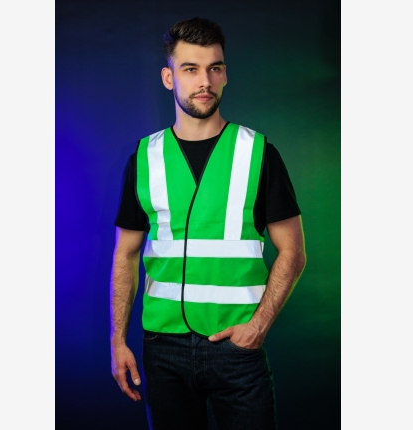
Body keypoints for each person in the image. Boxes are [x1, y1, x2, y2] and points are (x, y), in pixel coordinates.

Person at [110, 17, 306, 430]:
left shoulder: (258, 153)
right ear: (169, 78)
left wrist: (258, 327)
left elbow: (293, 251)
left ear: (225, 75)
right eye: (190, 69)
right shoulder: (144, 158)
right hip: (162, 350)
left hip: (237, 349)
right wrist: (118, 340)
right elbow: (125, 254)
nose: (205, 81)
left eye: (214, 68)